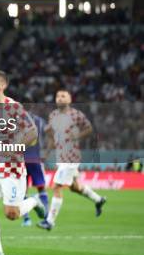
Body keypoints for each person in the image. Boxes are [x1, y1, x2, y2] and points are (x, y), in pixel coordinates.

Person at [0, 70, 45, 255]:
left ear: (3, 85)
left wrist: (15, 146)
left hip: (11, 167)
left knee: (11, 214)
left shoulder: (13, 107)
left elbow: (32, 134)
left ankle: (35, 201)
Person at [37, 89, 106, 230]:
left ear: (70, 99)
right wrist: (47, 152)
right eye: (58, 96)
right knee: (75, 187)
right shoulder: (53, 115)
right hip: (60, 156)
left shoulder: (76, 115)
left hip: (71, 157)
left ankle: (49, 221)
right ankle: (99, 200)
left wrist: (76, 137)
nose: (60, 98)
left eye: (63, 96)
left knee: (57, 186)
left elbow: (89, 128)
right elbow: (51, 137)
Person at [21, 113, 49, 227]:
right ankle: (46, 215)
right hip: (34, 159)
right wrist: (47, 151)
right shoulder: (40, 120)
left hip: (22, 161)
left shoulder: (14, 120)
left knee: (23, 191)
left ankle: (27, 219)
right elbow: (50, 134)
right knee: (40, 187)